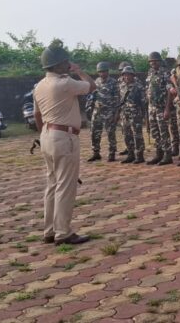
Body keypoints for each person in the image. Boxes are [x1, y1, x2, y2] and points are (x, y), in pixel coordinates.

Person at [33, 43, 95, 246]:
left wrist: (44, 134)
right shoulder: (65, 83)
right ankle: (63, 232)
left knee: (52, 184)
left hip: (47, 135)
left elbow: (37, 115)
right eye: (65, 62)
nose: (68, 65)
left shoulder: (39, 85)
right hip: (64, 137)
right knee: (65, 186)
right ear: (59, 65)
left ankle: (49, 230)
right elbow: (92, 86)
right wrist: (79, 71)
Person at [88, 62, 120, 163]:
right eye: (100, 72)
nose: (102, 74)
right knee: (95, 133)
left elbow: (117, 99)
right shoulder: (96, 82)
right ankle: (96, 153)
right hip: (97, 112)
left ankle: (112, 153)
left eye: (104, 71)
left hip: (109, 112)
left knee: (111, 133)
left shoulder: (113, 82)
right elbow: (92, 96)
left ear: (107, 71)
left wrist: (116, 113)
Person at [145, 52, 173, 165]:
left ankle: (167, 155)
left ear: (160, 61)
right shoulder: (150, 73)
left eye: (155, 61)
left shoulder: (165, 73)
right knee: (155, 131)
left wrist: (167, 108)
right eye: (151, 61)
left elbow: (169, 92)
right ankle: (159, 153)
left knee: (163, 132)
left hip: (162, 107)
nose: (153, 63)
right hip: (151, 107)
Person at [118, 66, 146, 164]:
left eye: (129, 74)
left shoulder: (138, 86)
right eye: (125, 75)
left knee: (137, 135)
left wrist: (144, 114)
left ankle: (139, 155)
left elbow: (143, 101)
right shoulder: (121, 86)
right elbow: (120, 100)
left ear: (133, 75)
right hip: (124, 114)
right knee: (126, 134)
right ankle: (130, 154)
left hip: (135, 114)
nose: (127, 77)